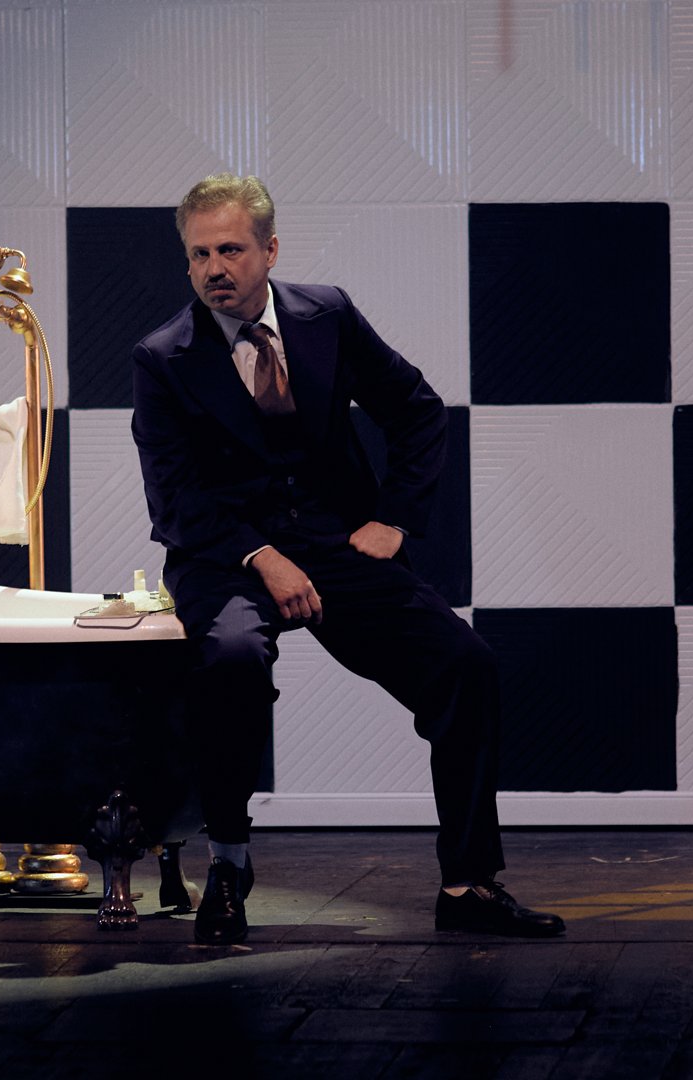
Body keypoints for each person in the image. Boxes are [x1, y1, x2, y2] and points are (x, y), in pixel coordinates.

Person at [131, 173, 564, 945]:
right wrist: (262, 555)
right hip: (225, 554)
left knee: (464, 664)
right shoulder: (164, 357)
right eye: (198, 254)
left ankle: (468, 884)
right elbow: (174, 500)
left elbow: (417, 411)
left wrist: (394, 519)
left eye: (230, 249)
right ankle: (228, 865)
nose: (214, 269)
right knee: (232, 657)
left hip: (333, 544)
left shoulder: (325, 315)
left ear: (270, 249)